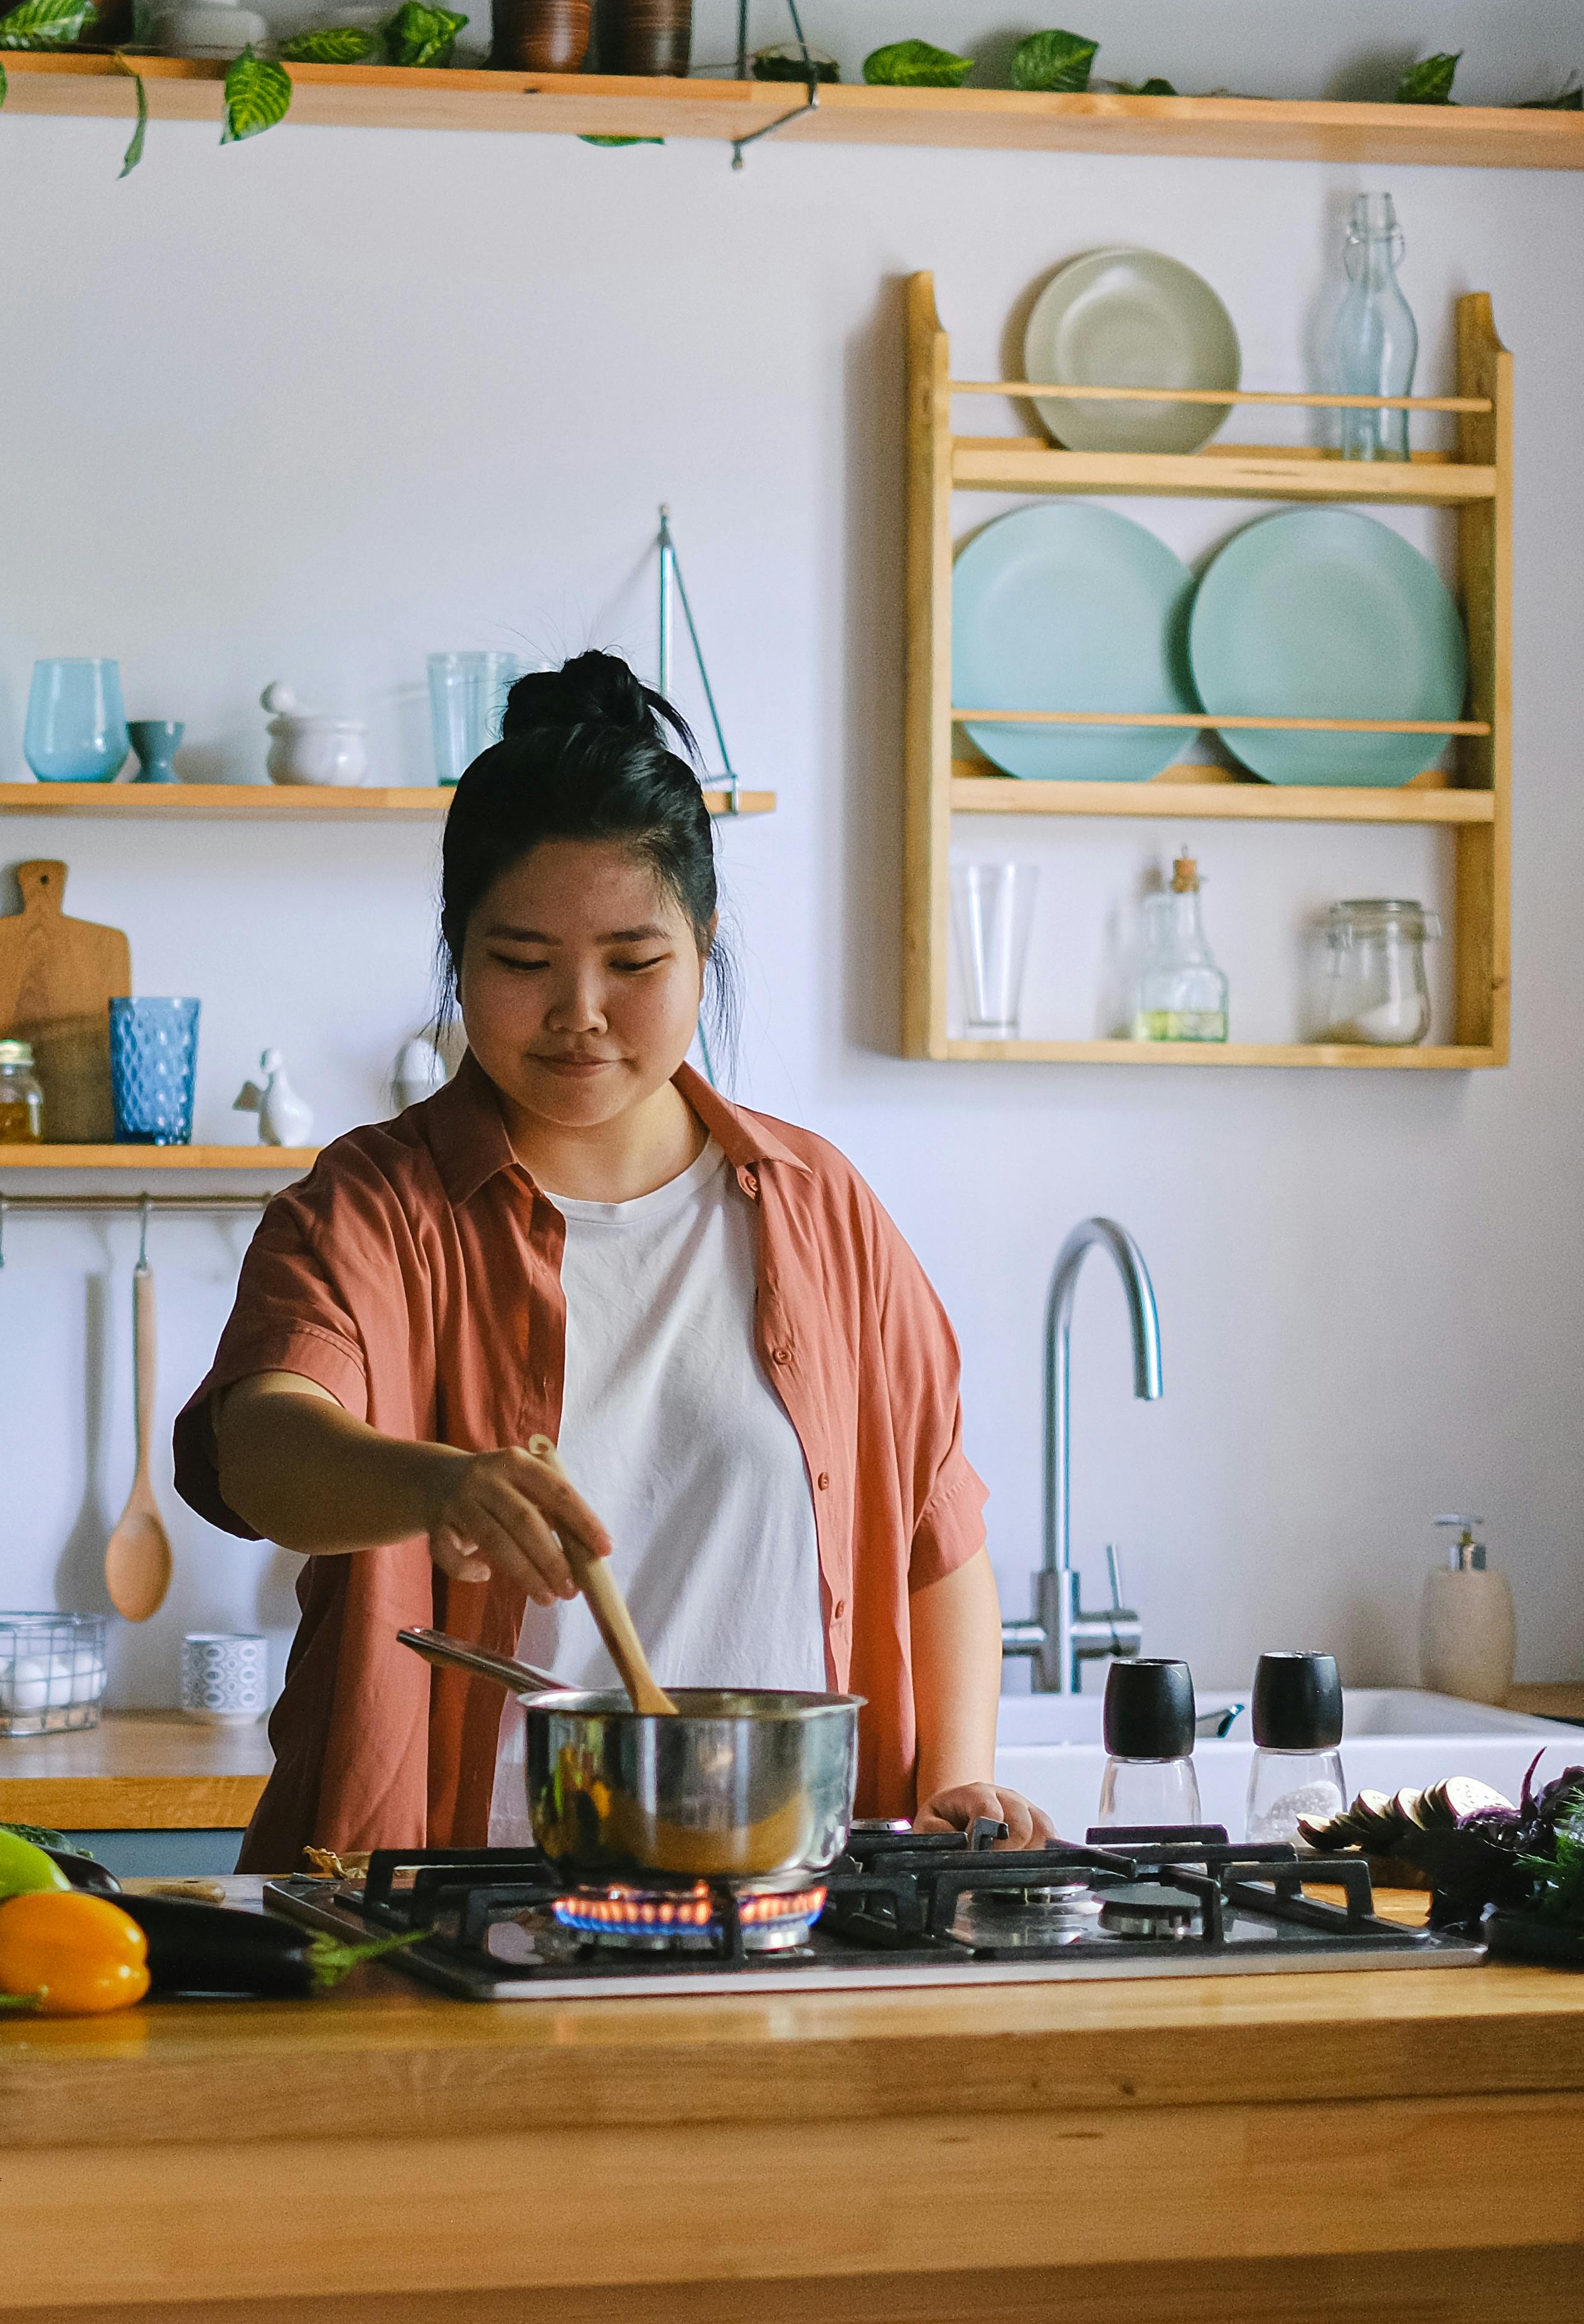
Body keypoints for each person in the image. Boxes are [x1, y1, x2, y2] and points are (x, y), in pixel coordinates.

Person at [176, 651, 1050, 1867]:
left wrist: (960, 1775)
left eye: (634, 963)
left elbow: (936, 1540)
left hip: (789, 1907)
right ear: (457, 951)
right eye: (523, 963)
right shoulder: (374, 1209)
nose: (579, 1009)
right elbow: (261, 1446)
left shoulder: (820, 1209)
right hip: (451, 1912)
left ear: (703, 946)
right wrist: (436, 1487)